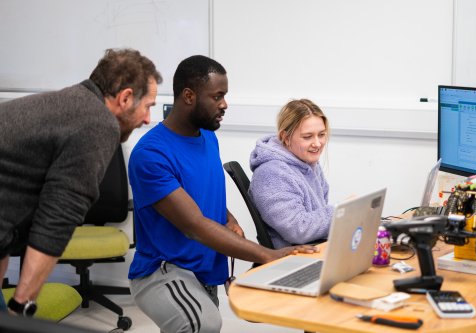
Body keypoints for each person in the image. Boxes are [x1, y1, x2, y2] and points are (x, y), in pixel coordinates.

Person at [128, 55, 317, 333]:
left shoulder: (207, 137)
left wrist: (227, 216)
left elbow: (198, 192)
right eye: (217, 96)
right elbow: (194, 225)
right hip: (164, 270)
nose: (224, 104)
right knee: (202, 324)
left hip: (203, 270)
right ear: (189, 96)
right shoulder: (151, 154)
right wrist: (268, 255)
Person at [0, 48, 162, 315]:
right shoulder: (96, 123)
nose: (147, 119)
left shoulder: (72, 104)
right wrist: (21, 305)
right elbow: (57, 220)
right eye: (147, 107)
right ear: (125, 98)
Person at [248, 99, 334, 249]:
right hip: (294, 259)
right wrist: (338, 213)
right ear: (285, 137)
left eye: (321, 135)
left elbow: (321, 212)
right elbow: (297, 229)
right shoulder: (271, 173)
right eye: (307, 137)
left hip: (315, 249)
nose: (317, 143)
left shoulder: (308, 162)